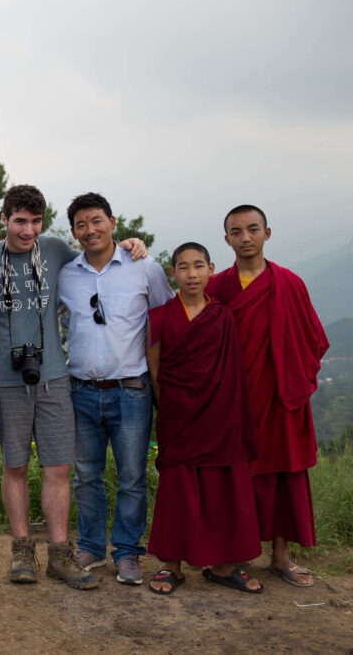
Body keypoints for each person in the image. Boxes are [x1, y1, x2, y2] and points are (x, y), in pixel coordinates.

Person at [0, 185, 147, 589]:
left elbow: (96, 258)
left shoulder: (52, 249)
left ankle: (59, 555)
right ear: (4, 220)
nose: (28, 230)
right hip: (6, 380)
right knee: (14, 466)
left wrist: (129, 244)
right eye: (20, 221)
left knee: (58, 468)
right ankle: (21, 552)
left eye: (35, 221)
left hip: (54, 376)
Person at [205, 205, 329, 588]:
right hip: (233, 401)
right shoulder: (216, 287)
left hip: (279, 397)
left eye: (253, 229)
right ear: (226, 239)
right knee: (236, 476)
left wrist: (292, 377)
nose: (246, 238)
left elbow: (312, 339)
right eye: (237, 232)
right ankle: (236, 554)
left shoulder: (289, 283)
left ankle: (281, 557)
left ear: (267, 233)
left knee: (284, 475)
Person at [57, 192, 173, 586]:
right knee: (85, 474)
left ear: (113, 222)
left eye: (96, 221)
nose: (90, 230)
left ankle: (127, 552)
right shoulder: (66, 274)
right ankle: (90, 544)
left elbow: (165, 321)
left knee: (132, 476)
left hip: (132, 389)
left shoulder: (145, 268)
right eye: (81, 224)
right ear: (73, 232)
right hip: (81, 389)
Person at [146, 242, 262, 595]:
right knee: (178, 488)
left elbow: (231, 371)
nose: (192, 274)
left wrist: (221, 413)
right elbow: (155, 372)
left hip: (221, 417)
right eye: (183, 267)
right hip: (179, 416)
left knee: (223, 486)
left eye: (199, 266)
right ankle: (171, 565)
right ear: (173, 273)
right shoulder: (160, 316)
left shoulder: (223, 316)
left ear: (212, 269)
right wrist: (174, 411)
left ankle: (225, 566)